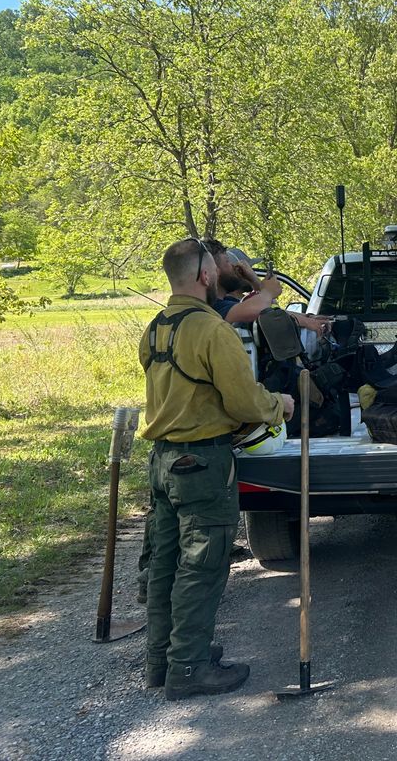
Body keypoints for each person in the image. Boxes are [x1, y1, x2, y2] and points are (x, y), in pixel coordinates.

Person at [139, 239, 294, 700]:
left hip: (163, 460)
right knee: (201, 567)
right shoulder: (211, 330)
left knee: (166, 563)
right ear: (206, 276)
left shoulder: (155, 328)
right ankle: (189, 669)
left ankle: (162, 660)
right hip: (203, 461)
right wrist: (278, 405)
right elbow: (244, 400)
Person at [202, 239, 330, 334]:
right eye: (227, 262)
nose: (233, 267)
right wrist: (267, 290)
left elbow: (271, 311)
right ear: (214, 271)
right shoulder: (214, 308)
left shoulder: (227, 302)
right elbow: (265, 314)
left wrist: (309, 318)